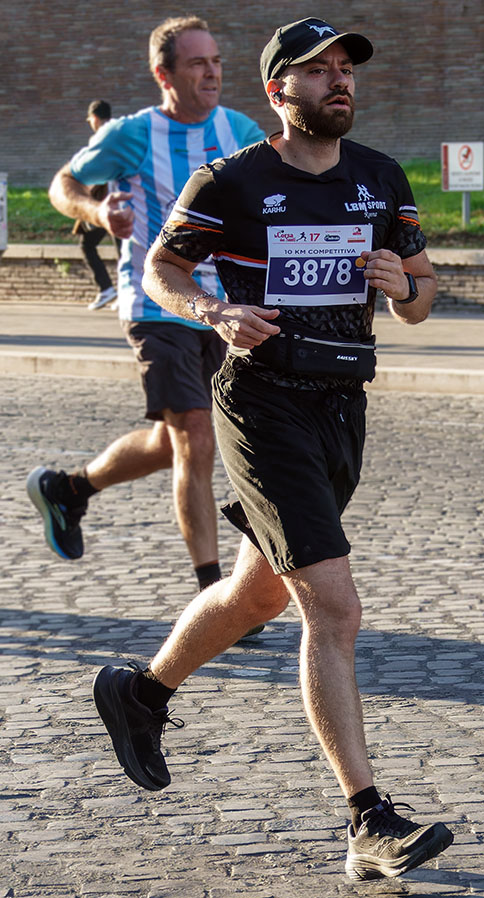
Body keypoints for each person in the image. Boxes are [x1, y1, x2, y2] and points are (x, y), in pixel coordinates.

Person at [91, 17, 454, 881]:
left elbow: (423, 294)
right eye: (318, 70)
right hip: (261, 405)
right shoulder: (233, 180)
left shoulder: (380, 177)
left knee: (257, 593)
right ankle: (368, 820)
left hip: (341, 408)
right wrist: (214, 310)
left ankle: (140, 692)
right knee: (332, 607)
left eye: (346, 68)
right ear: (277, 91)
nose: (340, 81)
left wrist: (404, 287)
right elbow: (162, 269)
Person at [26, 16, 265, 596]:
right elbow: (63, 185)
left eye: (216, 61)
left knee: (175, 440)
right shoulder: (131, 135)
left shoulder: (240, 129)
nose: (212, 73)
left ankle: (69, 489)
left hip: (226, 309)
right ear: (164, 74)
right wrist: (98, 212)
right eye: (197, 63)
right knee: (196, 438)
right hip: (158, 304)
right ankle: (212, 595)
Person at [72, 99, 120, 311]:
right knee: (122, 250)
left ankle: (109, 289)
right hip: (118, 201)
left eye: (90, 119)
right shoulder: (119, 134)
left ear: (94, 118)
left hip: (108, 203)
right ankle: (115, 290)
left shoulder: (102, 137)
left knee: (88, 244)